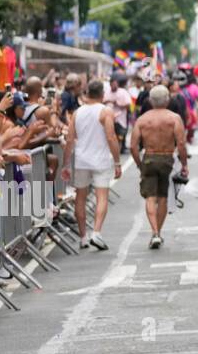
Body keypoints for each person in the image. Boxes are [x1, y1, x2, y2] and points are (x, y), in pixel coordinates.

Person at [64, 79, 121, 250]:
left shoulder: (77, 113)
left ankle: (83, 237)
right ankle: (96, 232)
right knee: (101, 196)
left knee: (80, 198)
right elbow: (111, 137)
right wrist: (117, 161)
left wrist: (66, 163)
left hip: (81, 160)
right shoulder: (105, 111)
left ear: (87, 93)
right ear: (103, 94)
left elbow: (70, 139)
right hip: (101, 160)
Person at [129, 85, 187, 250]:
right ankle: (158, 233)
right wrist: (184, 164)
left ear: (150, 101)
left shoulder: (142, 119)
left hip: (149, 158)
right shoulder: (174, 118)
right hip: (167, 158)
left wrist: (139, 164)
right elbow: (181, 144)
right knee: (163, 197)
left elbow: (133, 146)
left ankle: (154, 232)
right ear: (167, 100)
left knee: (150, 197)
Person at [105, 74, 132, 154]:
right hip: (109, 118)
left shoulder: (123, 92)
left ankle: (119, 150)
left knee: (120, 136)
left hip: (121, 118)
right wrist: (107, 101)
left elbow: (128, 105)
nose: (114, 86)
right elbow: (102, 101)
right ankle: (113, 150)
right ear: (110, 84)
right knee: (111, 136)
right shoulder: (107, 92)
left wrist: (118, 104)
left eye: (115, 84)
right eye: (112, 84)